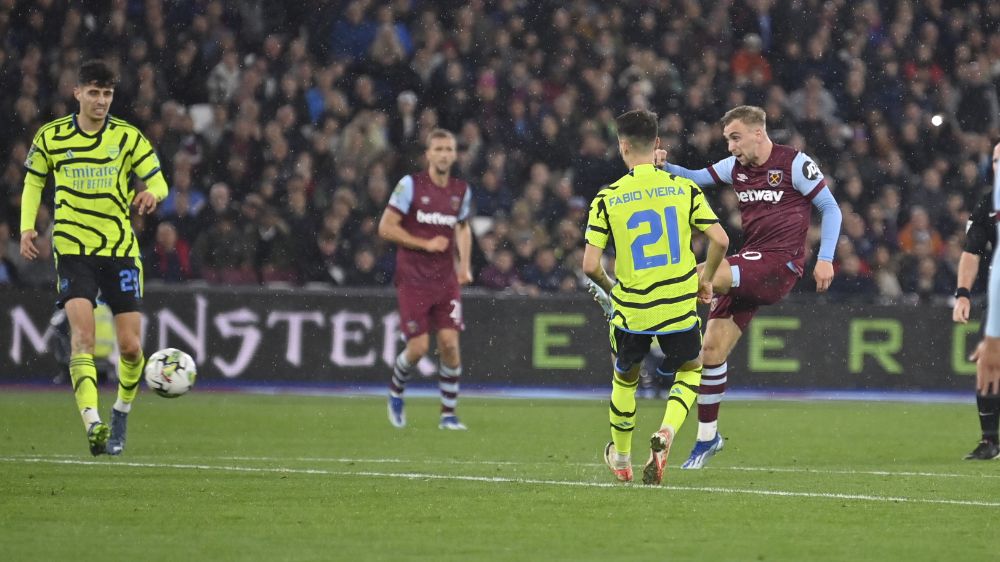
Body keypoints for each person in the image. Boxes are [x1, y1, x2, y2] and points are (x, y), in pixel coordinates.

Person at [655, 105, 842, 468]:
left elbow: (830, 208)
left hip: (779, 263)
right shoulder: (734, 168)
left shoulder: (795, 164)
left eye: (735, 137)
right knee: (711, 351)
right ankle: (707, 440)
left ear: (759, 132)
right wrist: (662, 165)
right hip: (750, 264)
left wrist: (826, 257)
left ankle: (662, 345)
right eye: (727, 139)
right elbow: (691, 177)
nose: (730, 147)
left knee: (698, 275)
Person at [20, 60, 168, 456]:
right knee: (82, 338)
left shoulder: (127, 137)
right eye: (94, 93)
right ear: (78, 93)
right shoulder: (51, 137)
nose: (101, 101)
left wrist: (154, 193)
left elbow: (158, 179)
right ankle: (93, 423)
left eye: (107, 94)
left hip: (119, 250)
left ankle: (120, 410)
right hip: (72, 249)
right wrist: (26, 227)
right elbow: (34, 179)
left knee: (131, 347)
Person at [583, 109, 729, 485]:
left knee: (625, 376)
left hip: (633, 307)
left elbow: (589, 265)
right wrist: (706, 279)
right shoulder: (684, 189)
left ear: (623, 146)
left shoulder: (608, 197)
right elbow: (721, 240)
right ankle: (666, 431)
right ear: (658, 144)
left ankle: (622, 458)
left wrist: (613, 289)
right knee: (691, 368)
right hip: (678, 302)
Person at [378, 128, 473, 430]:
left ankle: (448, 414)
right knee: (418, 349)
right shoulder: (410, 185)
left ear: (455, 154)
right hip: (413, 279)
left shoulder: (461, 191)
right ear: (429, 154)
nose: (444, 154)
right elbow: (386, 227)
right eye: (439, 149)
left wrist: (465, 265)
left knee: (450, 345)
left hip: (445, 281)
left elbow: (463, 227)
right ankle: (395, 391)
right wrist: (425, 244)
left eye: (449, 149)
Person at [969, 143, 1000, 459]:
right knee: (987, 364)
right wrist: (962, 293)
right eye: (994, 159)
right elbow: (972, 251)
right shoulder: (988, 205)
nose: (997, 165)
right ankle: (989, 439)